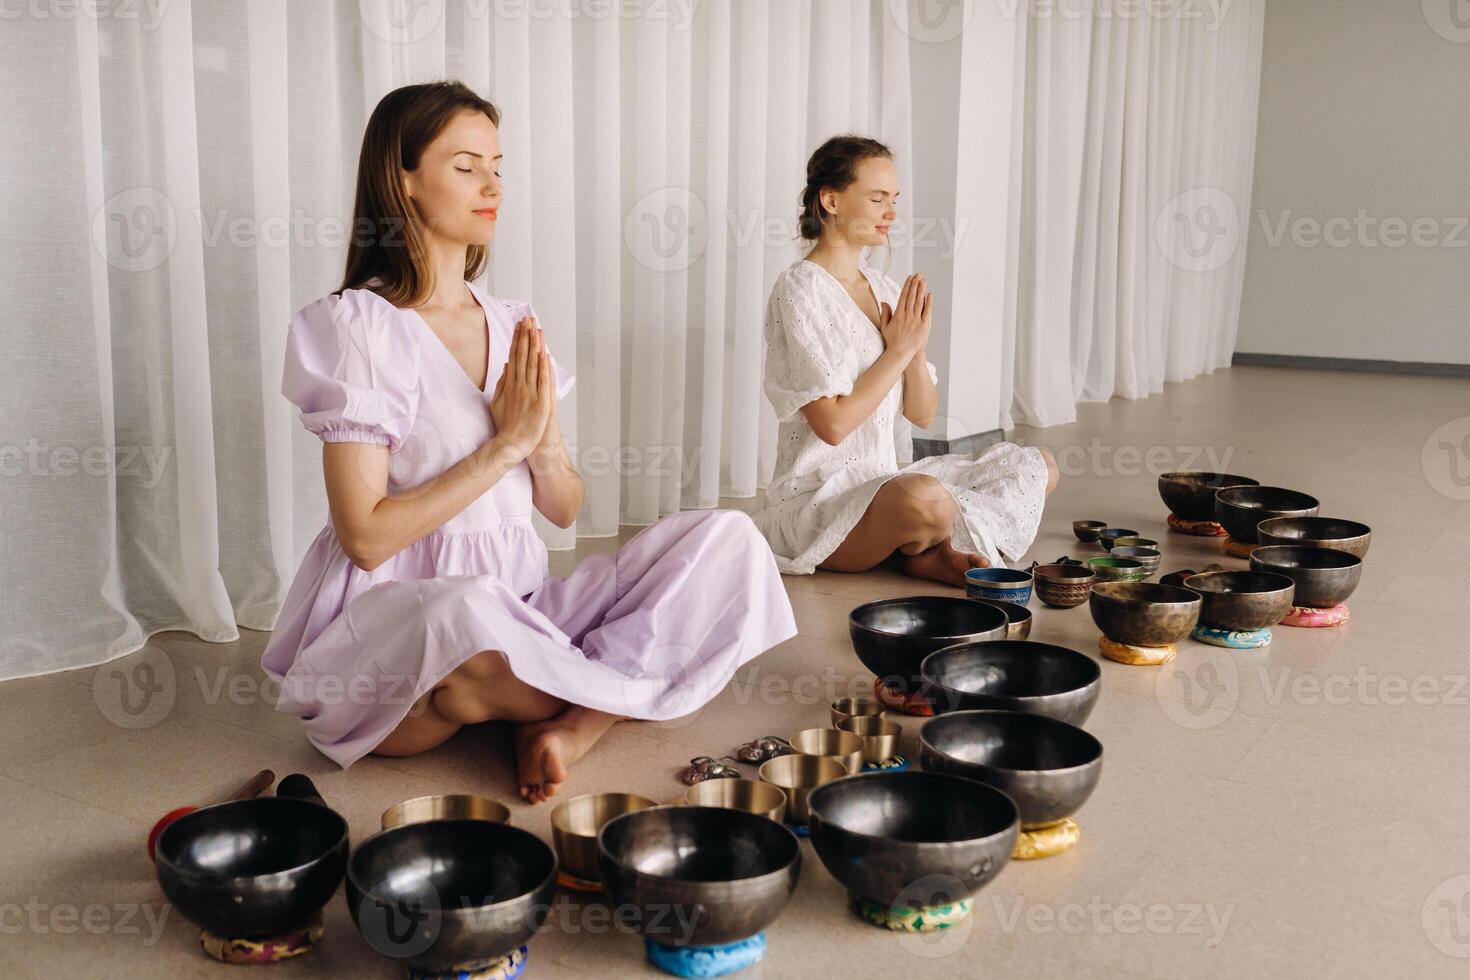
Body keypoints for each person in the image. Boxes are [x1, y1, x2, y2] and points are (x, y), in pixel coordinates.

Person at [261, 81, 796, 803]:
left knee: (730, 537)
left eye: (498, 166)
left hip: (526, 612)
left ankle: (568, 724)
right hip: (410, 644)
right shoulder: (360, 326)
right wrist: (503, 446)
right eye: (466, 165)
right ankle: (596, 689)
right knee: (465, 610)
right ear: (404, 179)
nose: (492, 186)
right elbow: (364, 538)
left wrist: (538, 442)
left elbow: (565, 505)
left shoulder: (512, 321)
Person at [753, 135, 1059, 586]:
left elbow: (922, 412)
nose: (891, 214)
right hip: (821, 497)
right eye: (877, 199)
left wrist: (913, 351)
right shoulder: (801, 289)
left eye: (893, 200)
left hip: (885, 479)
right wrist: (897, 351)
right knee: (924, 499)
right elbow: (832, 427)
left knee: (1038, 466)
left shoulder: (885, 288)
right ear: (831, 199)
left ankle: (920, 547)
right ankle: (929, 543)